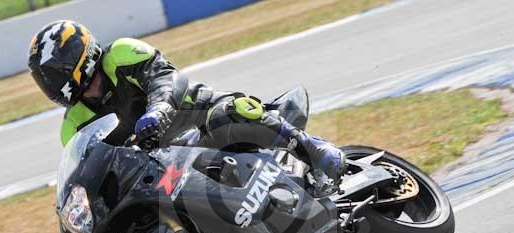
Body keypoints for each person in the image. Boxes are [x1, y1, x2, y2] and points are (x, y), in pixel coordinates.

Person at [28, 20, 346, 186]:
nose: (51, 82)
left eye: (53, 72)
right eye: (46, 78)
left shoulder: (121, 54)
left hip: (195, 118)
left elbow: (167, 77)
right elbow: (90, 168)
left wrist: (159, 109)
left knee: (231, 112)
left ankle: (315, 152)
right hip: (158, 167)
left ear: (77, 54)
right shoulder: (74, 124)